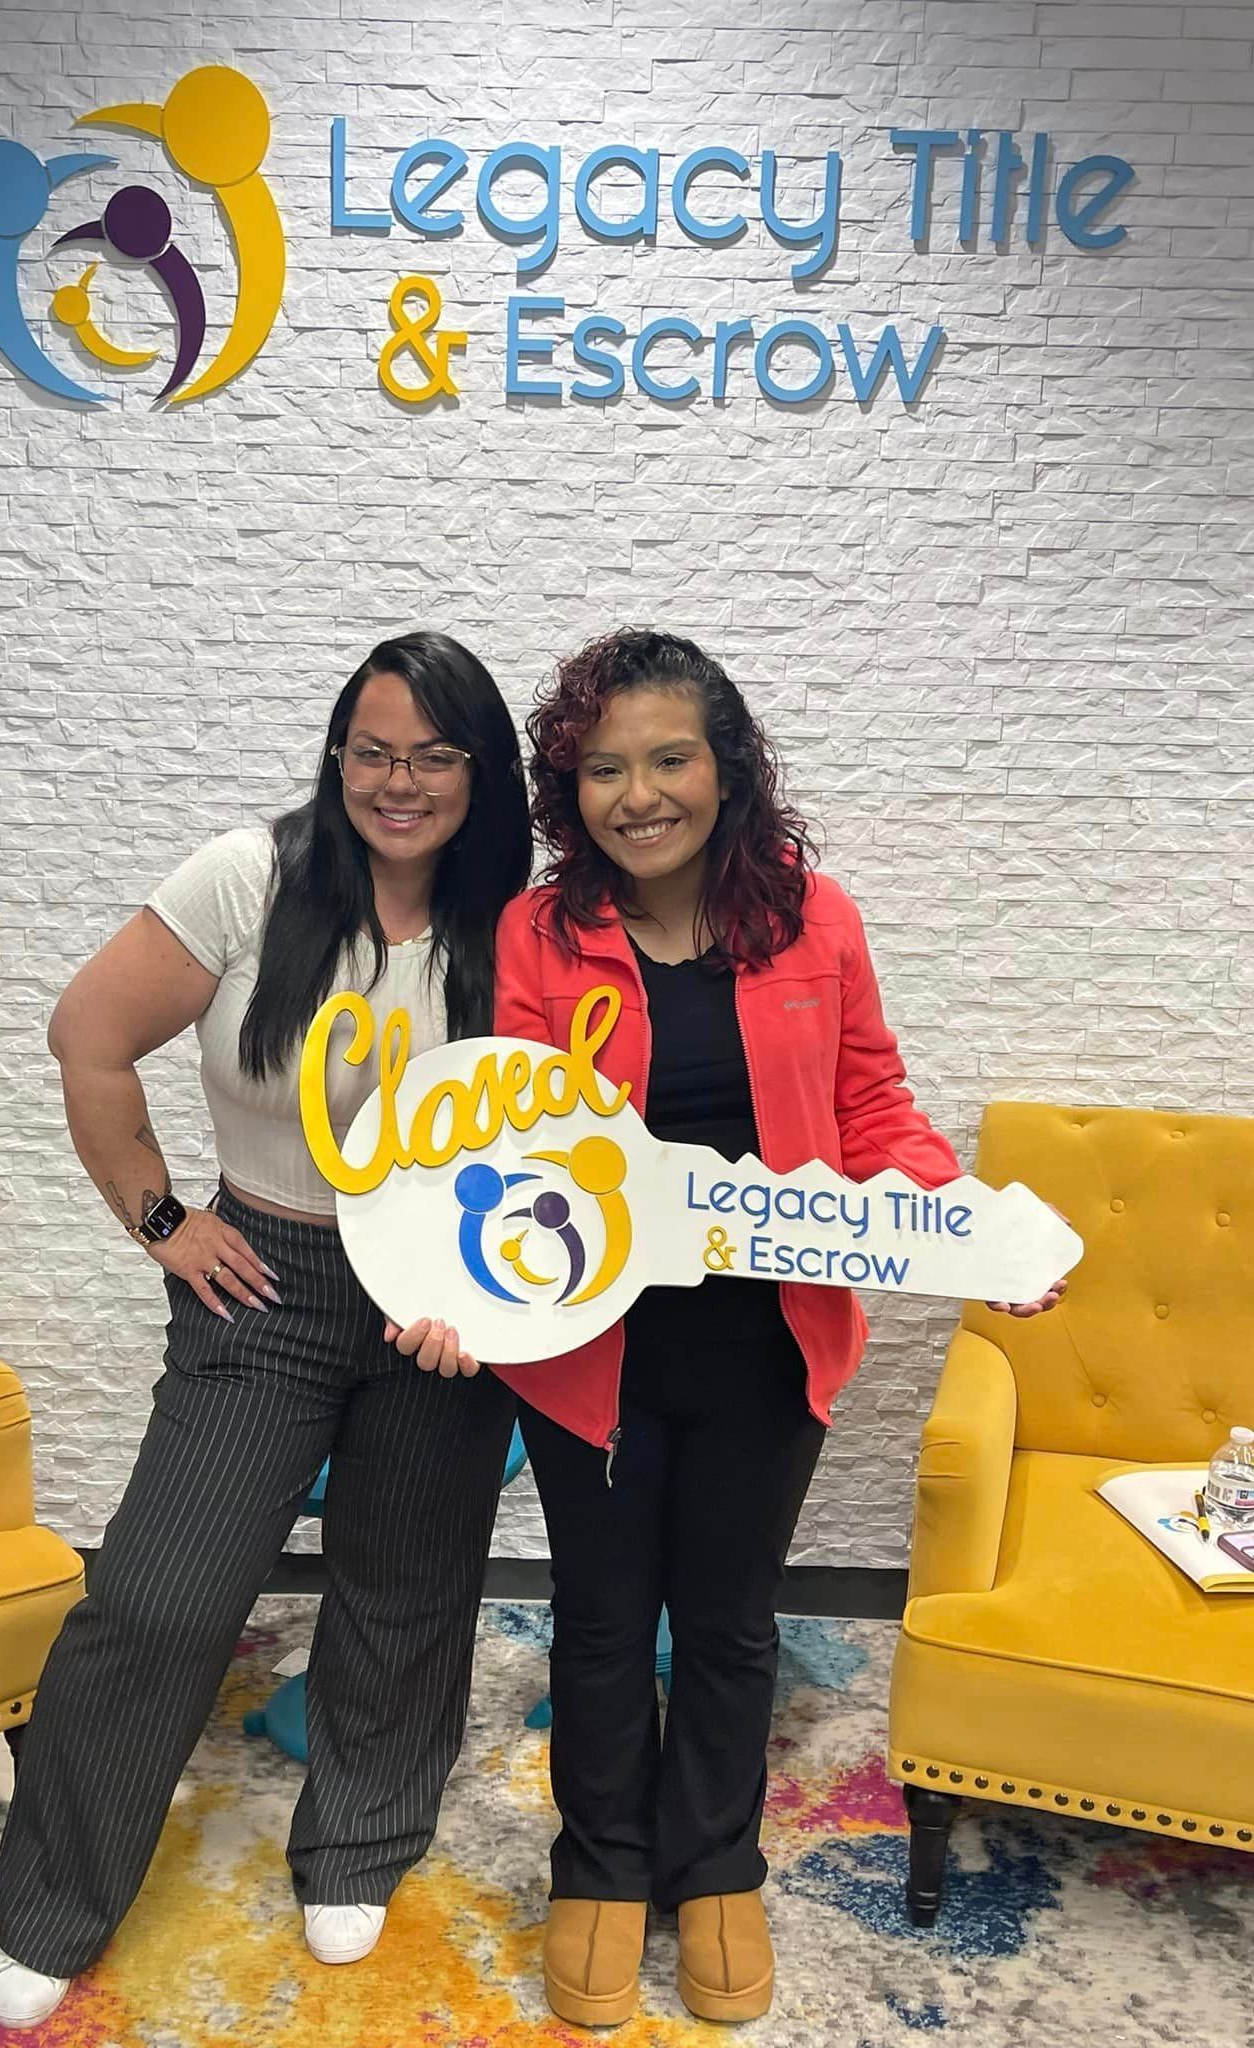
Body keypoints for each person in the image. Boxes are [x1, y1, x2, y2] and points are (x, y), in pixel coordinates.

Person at [402, 627, 1066, 2030]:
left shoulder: (816, 919)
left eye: (667, 759)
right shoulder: (539, 933)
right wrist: (453, 1294)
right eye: (601, 770)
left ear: (729, 766)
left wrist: (967, 1233)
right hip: (588, 1352)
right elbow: (510, 1145)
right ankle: (601, 1865)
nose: (636, 795)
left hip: (770, 1345)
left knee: (725, 1621)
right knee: (596, 1620)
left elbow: (875, 1107)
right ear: (566, 788)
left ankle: (713, 1866)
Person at [0, 632, 530, 2031]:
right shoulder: (252, 879)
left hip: (440, 1301)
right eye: (372, 750)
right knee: (156, 1596)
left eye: (433, 756)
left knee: (404, 1592)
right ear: (338, 753)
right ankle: (53, 1901)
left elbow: (561, 1138)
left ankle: (356, 1844)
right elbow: (87, 1036)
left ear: (483, 772)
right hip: (267, 1283)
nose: (397, 782)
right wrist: (167, 1225)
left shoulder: (522, 920)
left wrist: (495, 1300)